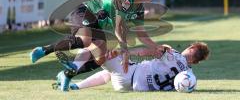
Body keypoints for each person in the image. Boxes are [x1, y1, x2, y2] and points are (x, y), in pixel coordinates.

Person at [30, 0, 163, 91]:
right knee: (85, 41)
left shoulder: (139, 9)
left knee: (101, 58)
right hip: (85, 11)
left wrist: (158, 48)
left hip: (97, 23)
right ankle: (43, 50)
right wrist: (125, 50)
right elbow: (118, 26)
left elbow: (142, 35)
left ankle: (67, 74)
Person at [56, 42, 209, 92]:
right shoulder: (189, 76)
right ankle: (76, 86)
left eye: (189, 48)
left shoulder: (174, 54)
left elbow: (146, 51)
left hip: (131, 73)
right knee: (109, 73)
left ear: (190, 48)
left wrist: (125, 52)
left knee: (97, 44)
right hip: (131, 86)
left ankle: (72, 68)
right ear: (196, 62)